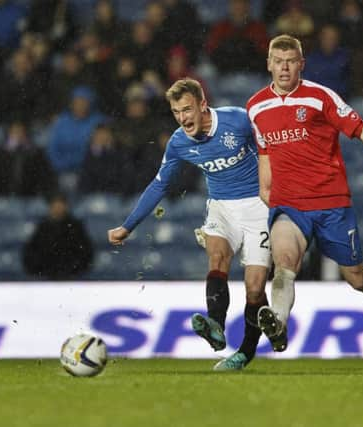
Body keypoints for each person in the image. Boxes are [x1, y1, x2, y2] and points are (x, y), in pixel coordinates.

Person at [246, 34, 363, 353]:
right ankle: (277, 324)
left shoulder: (320, 97)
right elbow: (265, 155)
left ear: (301, 64)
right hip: (289, 205)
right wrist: (269, 194)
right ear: (269, 65)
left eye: (291, 61)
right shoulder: (255, 107)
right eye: (278, 61)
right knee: (284, 264)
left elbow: (360, 128)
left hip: (331, 204)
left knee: (357, 278)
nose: (284, 68)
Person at [108, 78, 271, 371]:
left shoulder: (238, 121)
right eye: (176, 112)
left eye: (187, 110)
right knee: (217, 256)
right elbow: (159, 185)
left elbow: (271, 153)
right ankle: (216, 327)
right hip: (221, 206)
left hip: (258, 206)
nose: (182, 118)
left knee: (256, 289)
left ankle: (245, 352)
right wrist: (128, 226)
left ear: (202, 105)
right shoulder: (179, 142)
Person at [23, 192, 94, 280]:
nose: (57, 209)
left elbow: (86, 253)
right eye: (55, 206)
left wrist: (72, 269)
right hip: (46, 277)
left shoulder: (75, 227)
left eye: (60, 205)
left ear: (66, 206)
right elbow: (31, 254)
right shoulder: (43, 228)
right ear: (50, 207)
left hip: (72, 278)